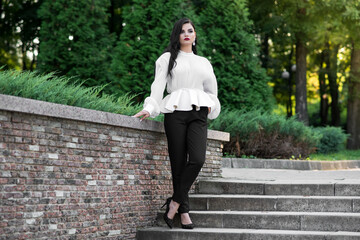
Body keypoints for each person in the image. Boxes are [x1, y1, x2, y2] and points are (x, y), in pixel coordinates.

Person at [133, 17, 220, 229]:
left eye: (190, 30)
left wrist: (210, 104)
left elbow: (211, 90)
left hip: (198, 113)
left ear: (195, 35)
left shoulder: (204, 62)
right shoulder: (167, 58)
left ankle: (174, 202)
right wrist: (150, 107)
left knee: (197, 159)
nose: (187, 34)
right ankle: (184, 212)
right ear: (177, 35)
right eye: (182, 31)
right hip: (174, 113)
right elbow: (158, 87)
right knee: (178, 164)